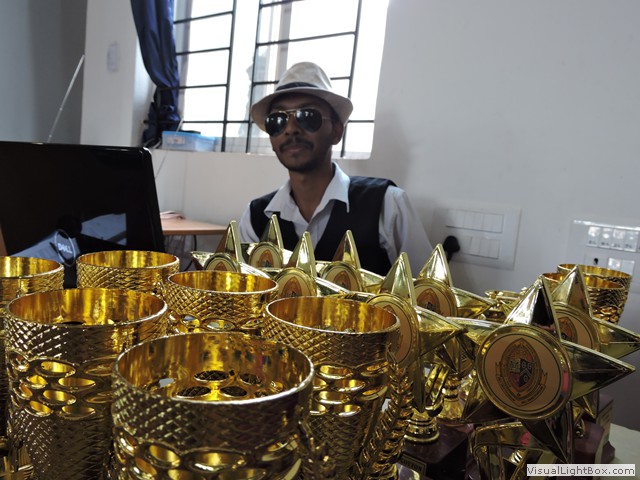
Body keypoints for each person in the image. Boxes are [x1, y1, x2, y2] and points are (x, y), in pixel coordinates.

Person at [237, 62, 433, 276]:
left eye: (307, 116)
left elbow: (426, 290)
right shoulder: (255, 217)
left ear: (336, 131)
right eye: (277, 120)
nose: (291, 129)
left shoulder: (388, 205)